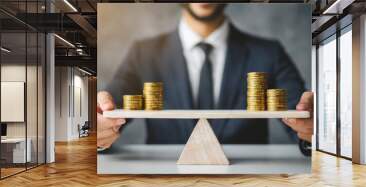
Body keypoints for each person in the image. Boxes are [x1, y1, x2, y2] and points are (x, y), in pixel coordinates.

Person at [97, 3, 314, 154]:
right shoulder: (142, 53)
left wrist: (312, 133)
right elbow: (110, 111)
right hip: (165, 181)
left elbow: (298, 116)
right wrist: (100, 129)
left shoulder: (269, 52)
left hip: (246, 184)